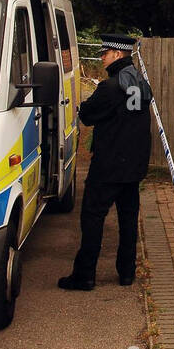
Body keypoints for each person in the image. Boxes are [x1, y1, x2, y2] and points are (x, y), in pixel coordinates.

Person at [59, 33, 152, 291]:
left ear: (118, 54)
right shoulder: (141, 84)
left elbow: (87, 116)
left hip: (108, 167)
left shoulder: (110, 88)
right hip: (133, 168)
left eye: (105, 53)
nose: (101, 57)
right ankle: (126, 273)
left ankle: (84, 275)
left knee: (92, 218)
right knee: (128, 219)